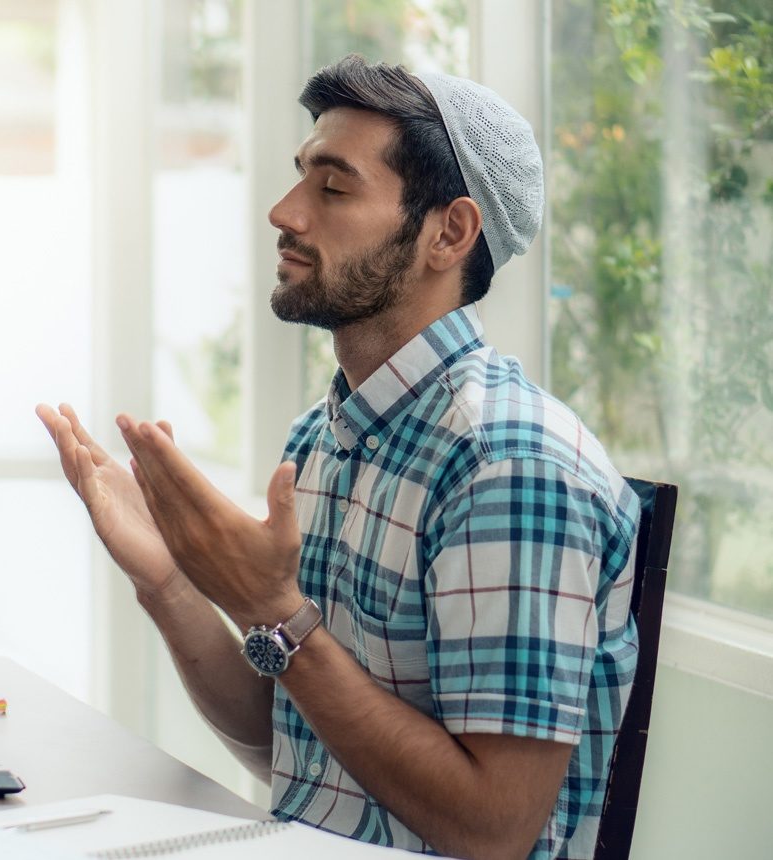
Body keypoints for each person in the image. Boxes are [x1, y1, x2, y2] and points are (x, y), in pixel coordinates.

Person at [37, 55, 639, 860]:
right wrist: (171, 579)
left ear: (448, 232)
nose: (285, 212)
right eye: (299, 177)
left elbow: (494, 829)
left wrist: (275, 613)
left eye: (334, 186)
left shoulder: (510, 466)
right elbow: (289, 748)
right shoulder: (320, 438)